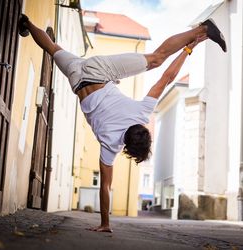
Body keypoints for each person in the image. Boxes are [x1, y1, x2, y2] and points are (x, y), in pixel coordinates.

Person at [18, 14, 226, 233]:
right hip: (77, 79)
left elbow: (166, 77)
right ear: (126, 148)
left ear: (143, 130)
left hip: (98, 70)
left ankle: (199, 33)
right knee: (52, 48)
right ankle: (28, 25)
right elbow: (105, 188)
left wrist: (188, 50)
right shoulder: (110, 146)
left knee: (156, 59)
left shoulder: (142, 113)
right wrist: (105, 223)